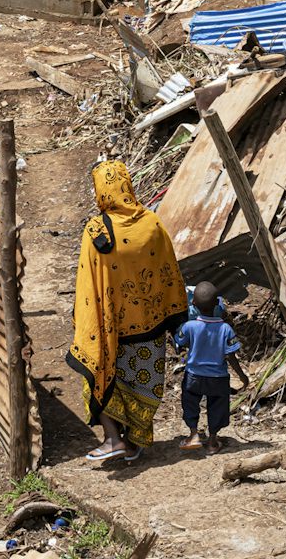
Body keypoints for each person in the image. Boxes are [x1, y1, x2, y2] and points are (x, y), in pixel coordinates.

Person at [67, 161, 188, 466]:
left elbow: (88, 281)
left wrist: (84, 320)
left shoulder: (97, 230)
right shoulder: (153, 223)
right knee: (142, 383)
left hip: (112, 330)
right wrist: (176, 320)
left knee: (99, 376)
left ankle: (112, 440)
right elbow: (169, 272)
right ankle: (133, 444)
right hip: (152, 326)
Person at [174, 282, 248, 451]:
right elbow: (231, 356)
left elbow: (180, 341)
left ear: (193, 304)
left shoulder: (189, 327)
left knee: (190, 403)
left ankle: (193, 435)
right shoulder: (226, 329)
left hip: (193, 375)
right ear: (217, 304)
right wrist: (242, 376)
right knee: (218, 406)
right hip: (218, 377)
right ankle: (212, 441)